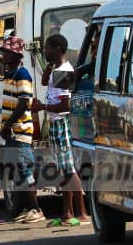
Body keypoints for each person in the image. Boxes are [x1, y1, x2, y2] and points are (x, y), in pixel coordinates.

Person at [32, 34, 90, 227]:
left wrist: (43, 108)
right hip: (56, 123)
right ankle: (68, 212)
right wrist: (48, 68)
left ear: (57, 49)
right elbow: (43, 83)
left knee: (68, 169)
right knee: (64, 169)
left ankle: (79, 212)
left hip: (62, 122)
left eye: (47, 48)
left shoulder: (64, 71)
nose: (45, 52)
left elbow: (66, 106)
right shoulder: (56, 70)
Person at [0, 36, 44, 224]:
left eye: (6, 52)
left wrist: (8, 125)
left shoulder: (22, 74)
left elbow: (24, 103)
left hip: (20, 130)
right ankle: (27, 208)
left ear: (16, 55)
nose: (3, 55)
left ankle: (36, 209)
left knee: (24, 170)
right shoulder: (11, 74)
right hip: (12, 131)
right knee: (18, 171)